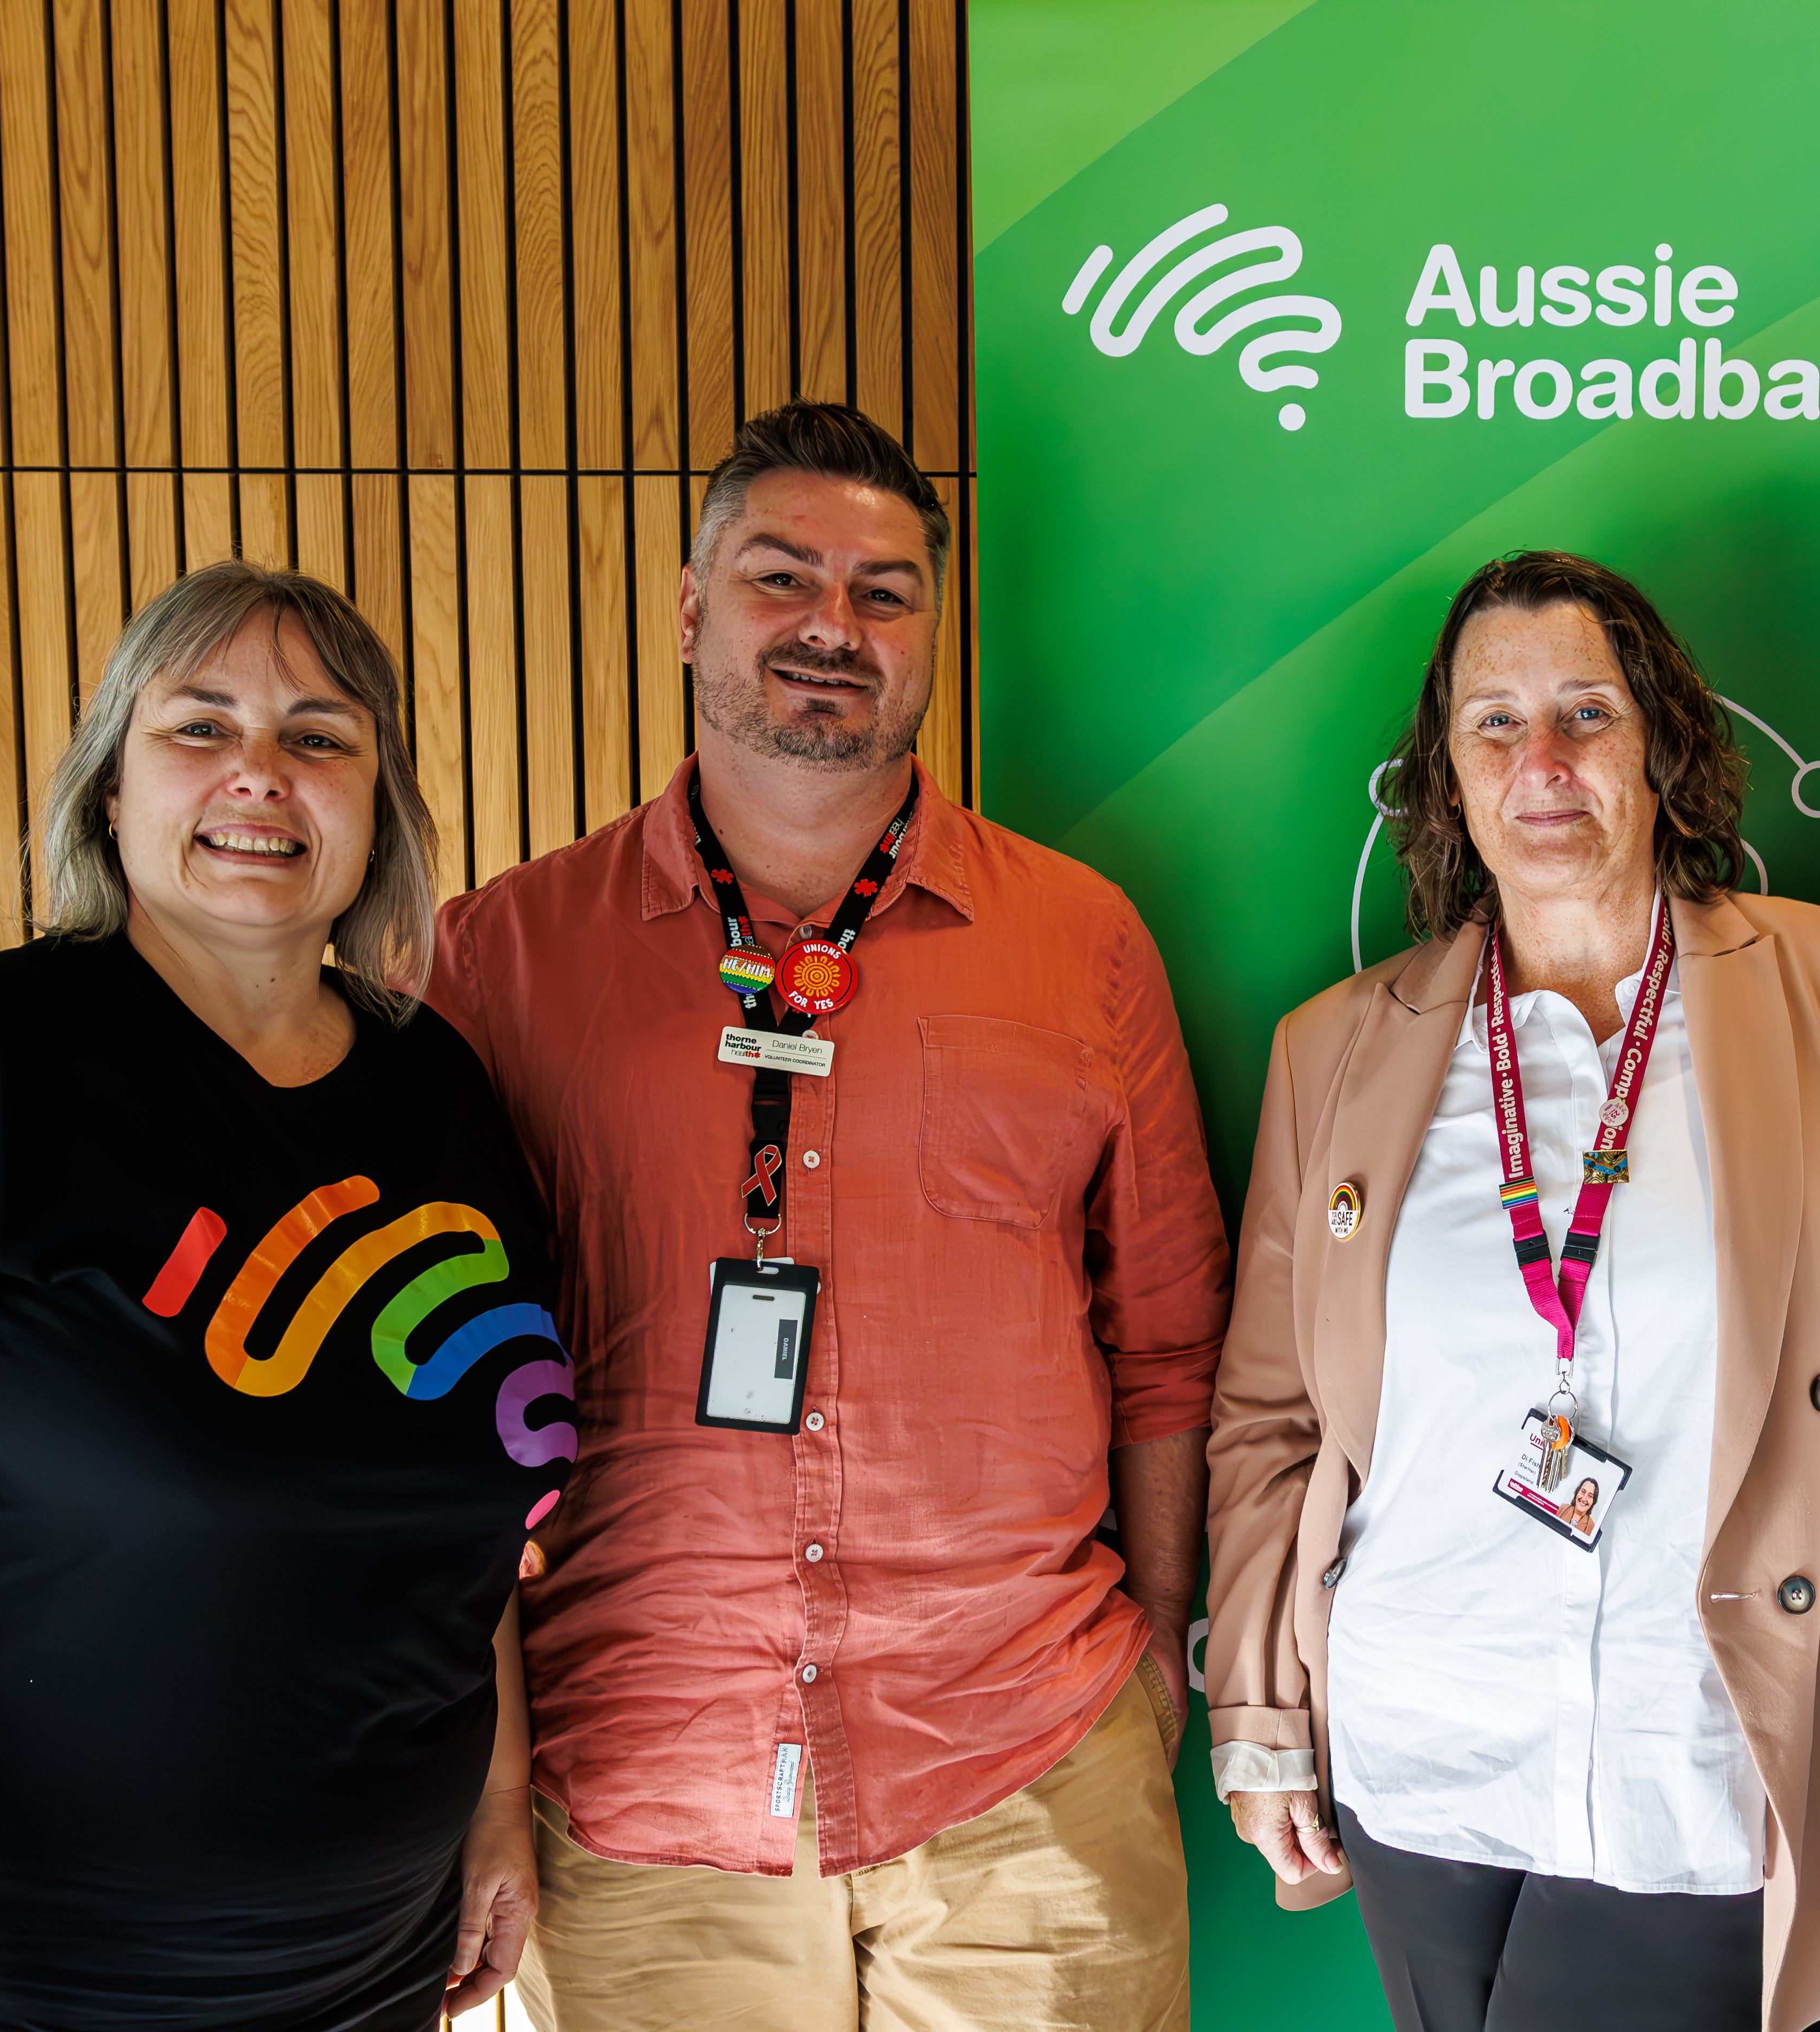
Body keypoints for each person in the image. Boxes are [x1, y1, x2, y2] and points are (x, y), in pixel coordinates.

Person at [422, 400, 1230, 2032]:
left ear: (935, 627)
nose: (828, 628)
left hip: (1025, 1789)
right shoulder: (503, 958)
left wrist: (1143, 1677)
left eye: (882, 591)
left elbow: (1165, 1338)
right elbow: (438, 1411)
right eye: (781, 577)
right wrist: (486, 1772)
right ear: (687, 608)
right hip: (640, 1805)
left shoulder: (1080, 943)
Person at [0, 560, 572, 2030]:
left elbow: (459, 1488)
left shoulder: (439, 1089)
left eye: (321, 735)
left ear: (381, 810)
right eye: (201, 725)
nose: (262, 775)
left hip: (366, 1974)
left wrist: (494, 1791)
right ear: (110, 791)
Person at [1205, 551, 1820, 2032]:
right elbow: (1268, 1415)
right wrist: (1257, 1707)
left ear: (1662, 749)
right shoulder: (1336, 1050)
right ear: (1446, 779)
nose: (1538, 763)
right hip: (1422, 1732)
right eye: (1492, 725)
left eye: (1584, 715)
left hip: (1698, 1743)